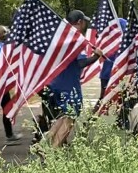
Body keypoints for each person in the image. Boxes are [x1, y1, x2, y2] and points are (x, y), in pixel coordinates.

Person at [37, 10, 102, 146]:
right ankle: (54, 150)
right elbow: (80, 63)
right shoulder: (76, 39)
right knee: (72, 115)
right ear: (79, 22)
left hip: (56, 82)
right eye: (84, 21)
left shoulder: (60, 36)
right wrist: (96, 57)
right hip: (69, 83)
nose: (85, 24)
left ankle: (44, 143)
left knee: (64, 116)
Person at [98, 18, 128, 102]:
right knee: (120, 99)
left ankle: (93, 114)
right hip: (112, 74)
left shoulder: (107, 42)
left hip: (105, 75)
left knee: (103, 98)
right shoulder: (118, 45)